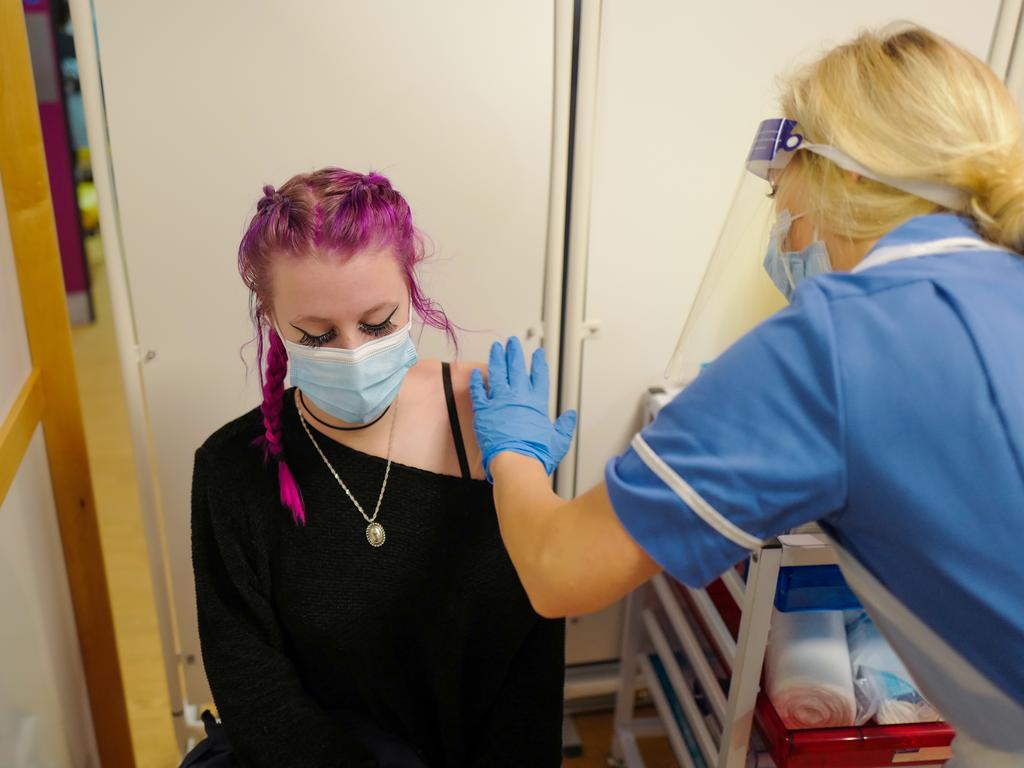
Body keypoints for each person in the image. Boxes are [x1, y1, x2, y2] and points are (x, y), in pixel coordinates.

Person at [469, 26, 1024, 766]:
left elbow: (559, 571)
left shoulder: (836, 341)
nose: (779, 222)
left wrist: (513, 451)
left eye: (778, 186)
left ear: (848, 175)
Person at [187, 169, 564, 768]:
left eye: (378, 323)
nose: (353, 353)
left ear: (411, 288)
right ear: (271, 317)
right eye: (315, 334)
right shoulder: (231, 469)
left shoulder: (493, 426)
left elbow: (532, 662)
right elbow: (253, 686)